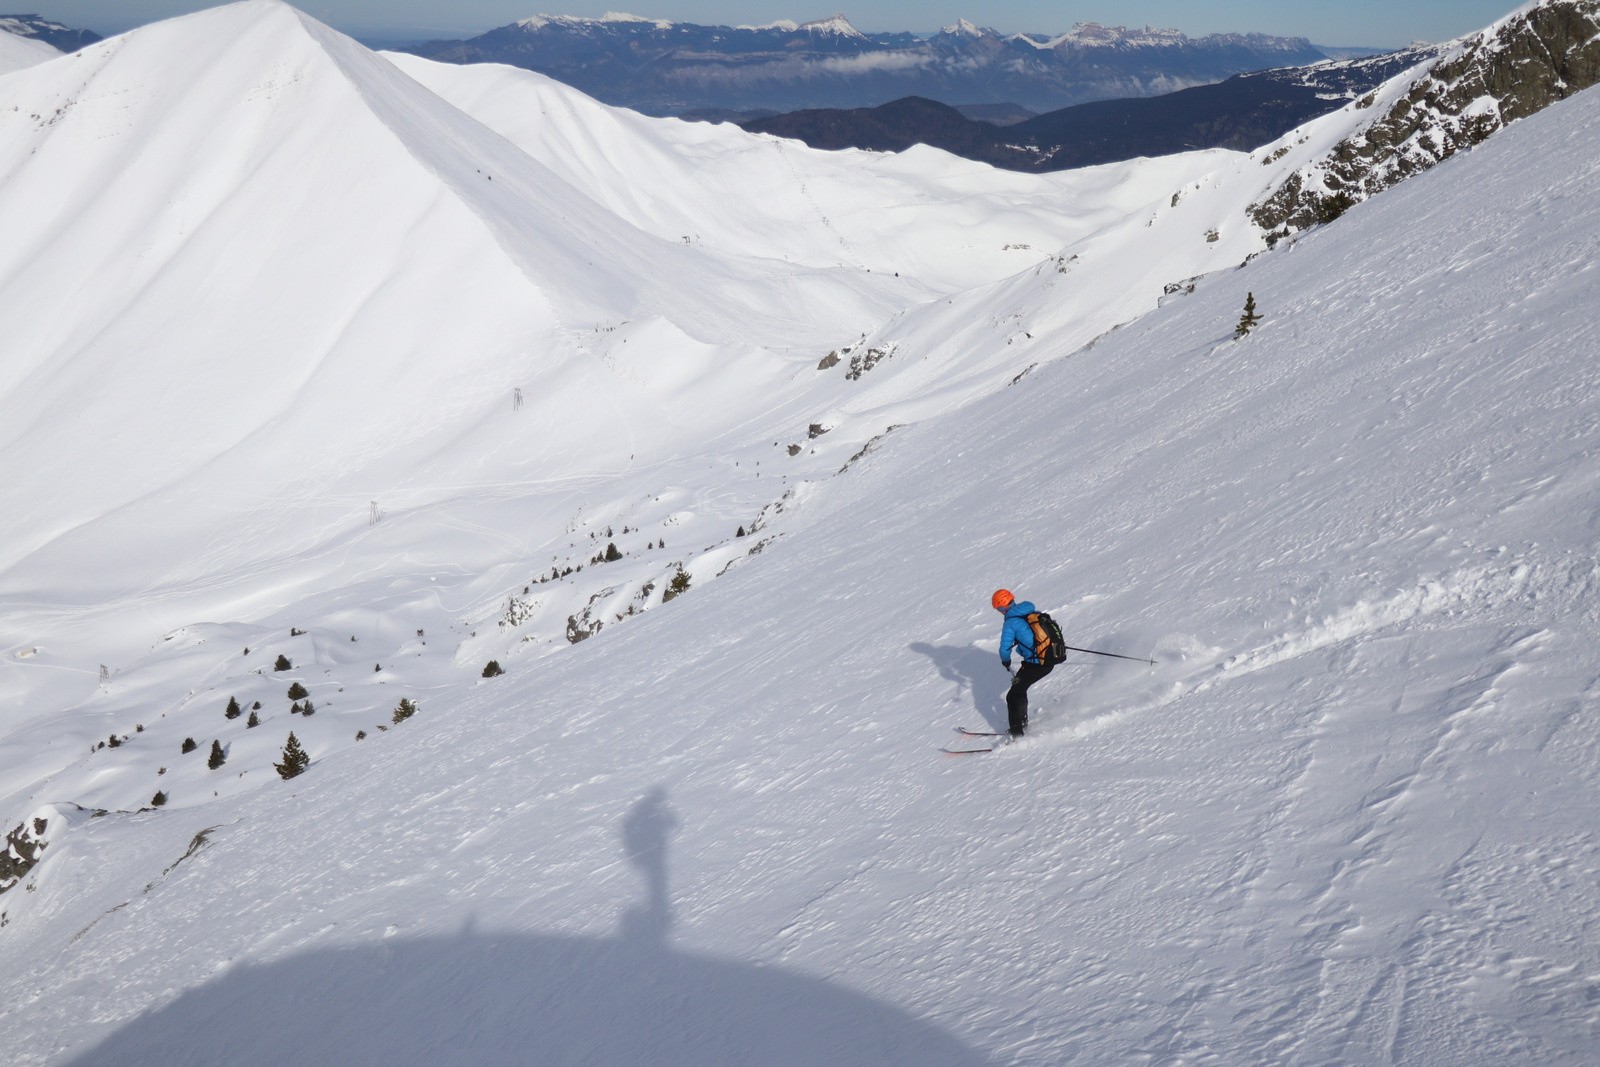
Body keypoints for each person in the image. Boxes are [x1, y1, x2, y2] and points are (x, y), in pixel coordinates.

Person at [992, 588, 1054, 737]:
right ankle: (1022, 724)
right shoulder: (1032, 612)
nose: (1000, 612)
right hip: (1048, 658)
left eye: (999, 609)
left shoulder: (1011, 623)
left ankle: (1017, 734)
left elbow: (1004, 649)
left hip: (1036, 663)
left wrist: (1006, 662)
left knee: (1012, 696)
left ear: (1001, 608)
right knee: (1019, 690)